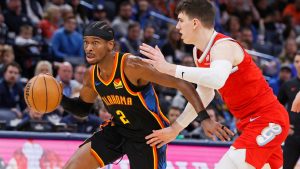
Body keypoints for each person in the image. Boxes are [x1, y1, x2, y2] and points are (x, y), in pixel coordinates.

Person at [60, 21, 233, 169]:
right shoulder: (91, 75)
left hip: (149, 137)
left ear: (110, 45)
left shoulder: (132, 66)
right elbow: (82, 109)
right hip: (118, 130)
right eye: (86, 43)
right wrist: (60, 98)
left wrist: (204, 118)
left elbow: (182, 83)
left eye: (95, 43)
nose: (88, 48)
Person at [139, 0, 289, 168]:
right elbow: (204, 93)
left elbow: (217, 78)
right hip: (248, 124)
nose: (177, 27)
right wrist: (176, 129)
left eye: (181, 20)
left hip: (267, 119)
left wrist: (169, 68)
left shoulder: (224, 47)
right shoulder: (199, 53)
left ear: (195, 23)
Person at [278, 53, 300, 169]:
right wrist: (284, 125)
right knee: (286, 167)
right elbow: (277, 107)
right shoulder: (288, 85)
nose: (299, 64)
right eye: (296, 61)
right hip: (292, 135)